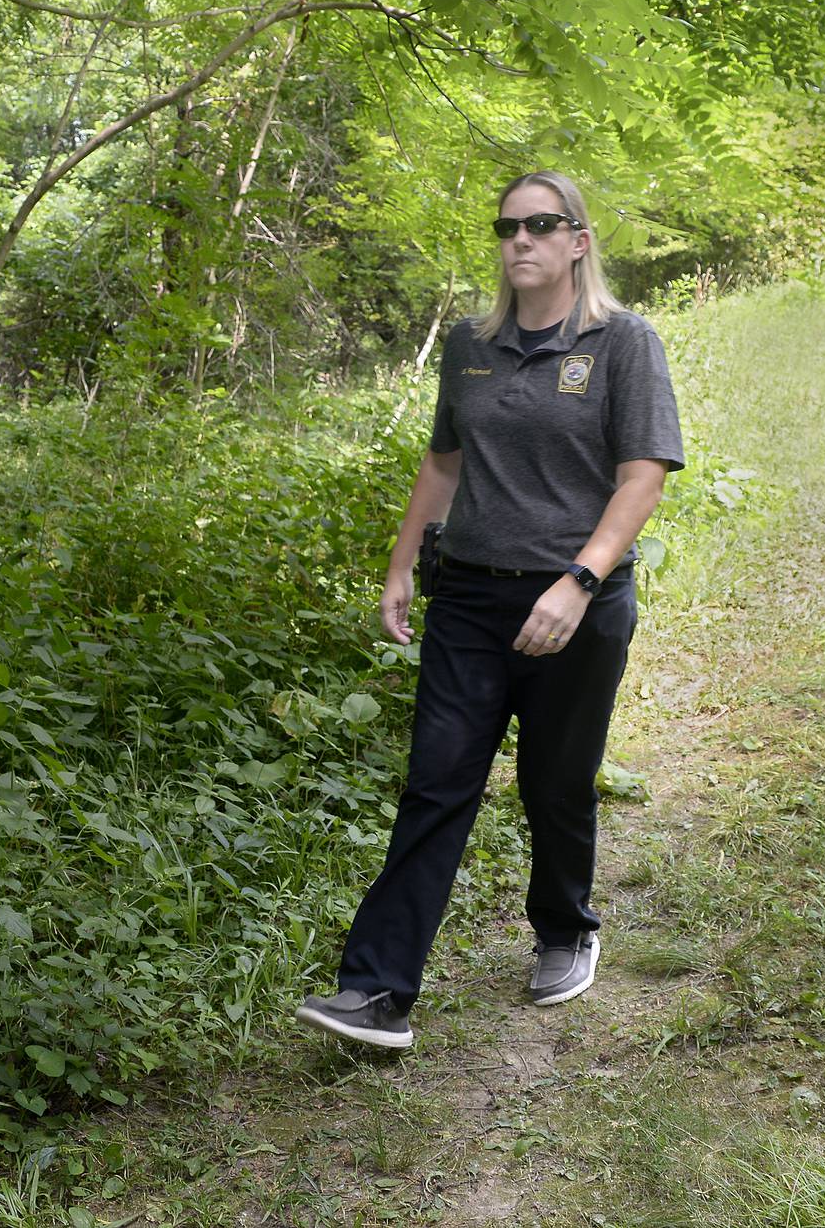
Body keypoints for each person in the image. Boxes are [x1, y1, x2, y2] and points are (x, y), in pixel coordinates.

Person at [295, 171, 684, 1049]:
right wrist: (401, 564)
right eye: (508, 227)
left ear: (578, 240)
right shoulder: (471, 345)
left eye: (542, 225)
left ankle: (564, 927)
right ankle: (376, 990)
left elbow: (644, 475)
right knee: (437, 782)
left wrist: (579, 581)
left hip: (575, 601)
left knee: (555, 781)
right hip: (469, 595)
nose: (521, 240)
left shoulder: (623, 343)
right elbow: (443, 464)